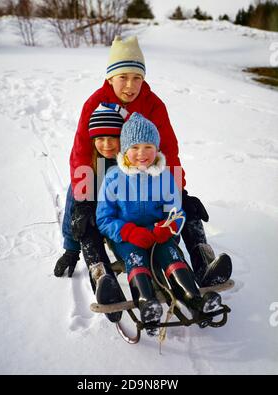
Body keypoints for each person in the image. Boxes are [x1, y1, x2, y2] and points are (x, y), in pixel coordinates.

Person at [54, 35, 232, 288]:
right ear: (110, 77)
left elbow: (169, 150)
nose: (130, 85)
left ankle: (204, 263)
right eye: (123, 77)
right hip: (103, 169)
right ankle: (87, 260)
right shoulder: (95, 104)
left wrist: (180, 190)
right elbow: (81, 152)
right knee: (81, 203)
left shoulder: (153, 105)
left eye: (137, 77)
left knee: (183, 207)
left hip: (144, 171)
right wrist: (84, 199)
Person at [96, 113, 222, 336]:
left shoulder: (164, 177)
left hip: (159, 234)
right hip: (127, 237)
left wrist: (168, 227)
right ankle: (147, 302)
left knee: (171, 254)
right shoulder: (113, 178)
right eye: (135, 147)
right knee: (135, 257)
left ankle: (194, 298)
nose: (142, 154)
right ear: (125, 151)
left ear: (157, 149)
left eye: (148, 147)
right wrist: (128, 231)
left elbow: (177, 211)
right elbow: (104, 219)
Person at [57, 103, 131, 323]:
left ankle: (154, 278)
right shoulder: (88, 170)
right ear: (92, 141)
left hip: (122, 223)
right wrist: (71, 249)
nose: (106, 145)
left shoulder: (131, 164)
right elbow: (73, 211)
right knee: (88, 235)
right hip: (95, 223)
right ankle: (102, 281)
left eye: (112, 138)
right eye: (100, 139)